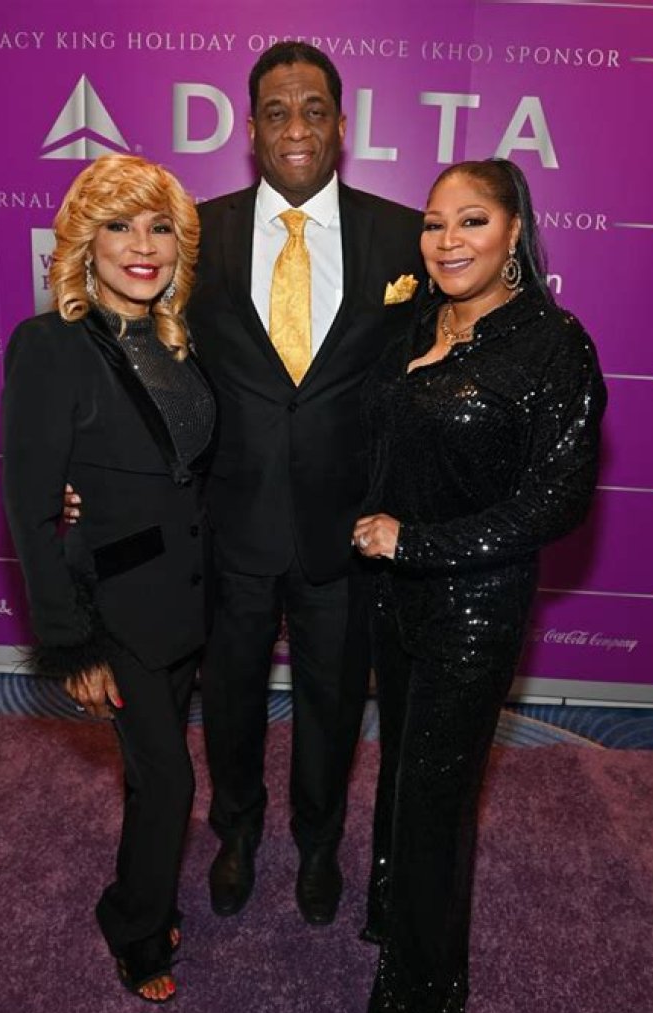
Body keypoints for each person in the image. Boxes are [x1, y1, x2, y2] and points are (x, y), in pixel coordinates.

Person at [352, 159, 606, 1013]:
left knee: (435, 796)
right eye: (434, 223)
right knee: (399, 770)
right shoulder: (419, 321)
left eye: (471, 221)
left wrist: (416, 543)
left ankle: (424, 997)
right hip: (394, 599)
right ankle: (392, 911)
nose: (448, 240)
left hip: (473, 608)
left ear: (514, 232)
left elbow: (557, 503)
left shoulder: (552, 343)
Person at [187, 41, 426, 925]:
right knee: (231, 697)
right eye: (278, 112)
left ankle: (320, 843)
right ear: (251, 130)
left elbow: (435, 375)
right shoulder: (194, 232)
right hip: (232, 520)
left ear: (341, 125)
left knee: (333, 701)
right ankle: (238, 831)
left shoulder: (404, 235)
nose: (297, 127)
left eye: (314, 109)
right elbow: (155, 367)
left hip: (348, 527)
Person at [2, 154, 215, 1004]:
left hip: (183, 604)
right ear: (84, 243)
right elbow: (29, 509)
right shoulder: (50, 345)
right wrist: (72, 643)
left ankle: (139, 888)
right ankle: (135, 928)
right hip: (114, 610)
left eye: (159, 228)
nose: (143, 246)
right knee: (172, 780)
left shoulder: (177, 342)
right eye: (120, 226)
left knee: (147, 772)